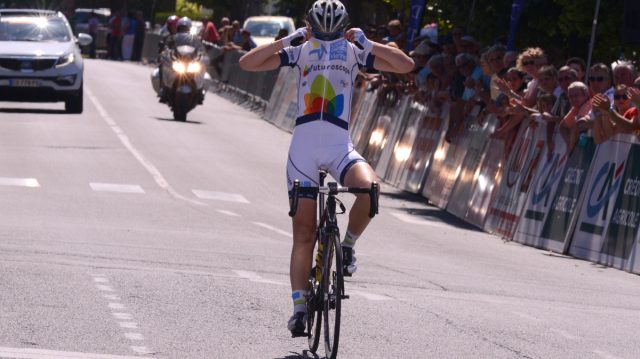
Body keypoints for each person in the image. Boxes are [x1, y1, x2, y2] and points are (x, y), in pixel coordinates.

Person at [238, 0, 414, 336]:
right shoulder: (301, 51)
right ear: (311, 25)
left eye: (331, 31)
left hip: (338, 147)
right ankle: (299, 309)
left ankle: (346, 246)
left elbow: (406, 66)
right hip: (303, 149)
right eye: (319, 30)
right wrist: (289, 39)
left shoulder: (353, 52)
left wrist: (368, 42)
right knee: (303, 233)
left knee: (369, 188)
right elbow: (248, 63)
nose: (326, 37)